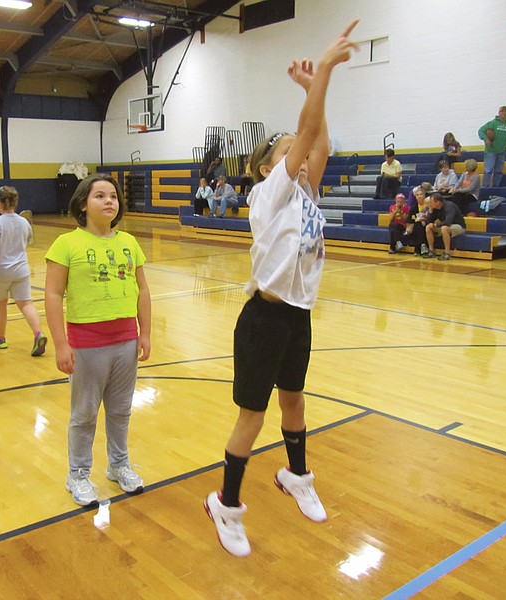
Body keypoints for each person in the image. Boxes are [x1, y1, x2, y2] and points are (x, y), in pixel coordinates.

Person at [204, 19, 359, 558]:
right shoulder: (269, 194)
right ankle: (225, 505)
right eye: (290, 149)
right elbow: (306, 131)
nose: (303, 151)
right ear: (267, 166)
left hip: (298, 316)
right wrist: (324, 72)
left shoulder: (308, 197)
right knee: (254, 416)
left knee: (294, 401)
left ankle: (296, 476)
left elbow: (321, 138)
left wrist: (315, 92)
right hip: (263, 318)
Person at [44, 174, 152, 507]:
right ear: (82, 204)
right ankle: (77, 473)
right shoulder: (66, 244)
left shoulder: (130, 243)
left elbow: (142, 290)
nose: (109, 201)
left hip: (125, 342)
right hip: (87, 344)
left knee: (120, 411)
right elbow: (52, 294)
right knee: (84, 414)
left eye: (114, 197)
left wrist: (144, 332)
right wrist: (62, 344)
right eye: (100, 196)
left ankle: (119, 465)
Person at [0, 185, 49, 355]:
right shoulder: (24, 222)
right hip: (21, 269)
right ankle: (38, 333)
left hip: (1, 271)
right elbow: (26, 242)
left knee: (0, 304)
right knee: (26, 303)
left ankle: (0, 338)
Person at [423, 193, 466, 261]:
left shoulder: (449, 206)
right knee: (428, 227)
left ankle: (447, 253)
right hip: (446, 225)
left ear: (438, 202)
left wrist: (436, 225)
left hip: (458, 226)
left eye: (431, 202)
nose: (429, 204)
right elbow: (429, 222)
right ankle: (431, 250)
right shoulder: (435, 208)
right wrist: (430, 211)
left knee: (444, 228)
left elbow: (448, 222)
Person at [478, 106, 506, 188]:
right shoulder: (492, 123)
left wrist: (505, 146)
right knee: (488, 170)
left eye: (505, 111)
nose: (503, 113)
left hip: (502, 152)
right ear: (499, 112)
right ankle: (485, 187)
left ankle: (495, 187)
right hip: (491, 151)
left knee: (499, 171)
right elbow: (481, 131)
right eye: (502, 111)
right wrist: (485, 139)